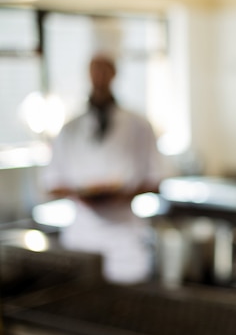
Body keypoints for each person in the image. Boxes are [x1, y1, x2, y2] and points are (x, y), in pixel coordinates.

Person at [41, 54, 165, 285]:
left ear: (114, 74)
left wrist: (123, 194)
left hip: (125, 235)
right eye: (94, 70)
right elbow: (51, 182)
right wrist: (80, 194)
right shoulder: (70, 128)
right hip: (82, 234)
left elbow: (155, 179)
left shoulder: (138, 124)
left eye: (104, 70)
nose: (99, 77)